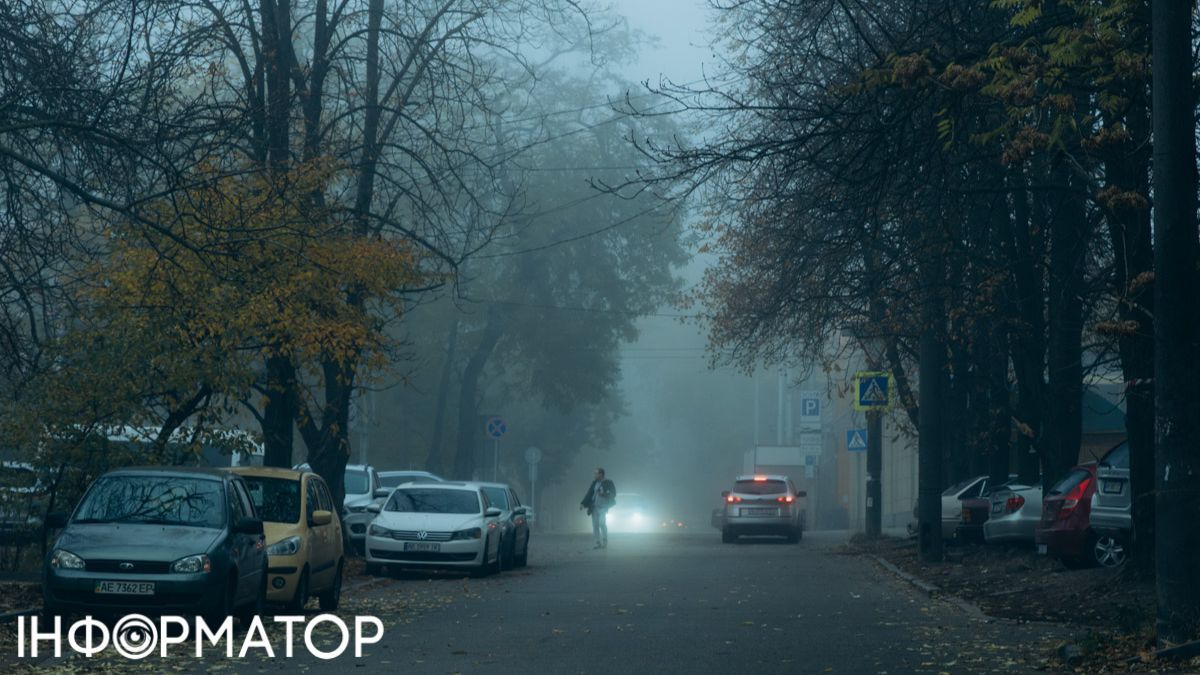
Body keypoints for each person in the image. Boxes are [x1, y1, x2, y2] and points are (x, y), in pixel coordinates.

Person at [579, 467, 616, 549]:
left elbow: (613, 493)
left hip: (603, 507)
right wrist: (583, 503)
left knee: (602, 523)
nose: (594, 475)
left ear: (601, 474)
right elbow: (589, 493)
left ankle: (605, 540)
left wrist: (604, 494)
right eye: (595, 473)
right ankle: (597, 542)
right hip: (594, 507)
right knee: (595, 525)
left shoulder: (609, 482)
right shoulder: (594, 483)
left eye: (596, 473)